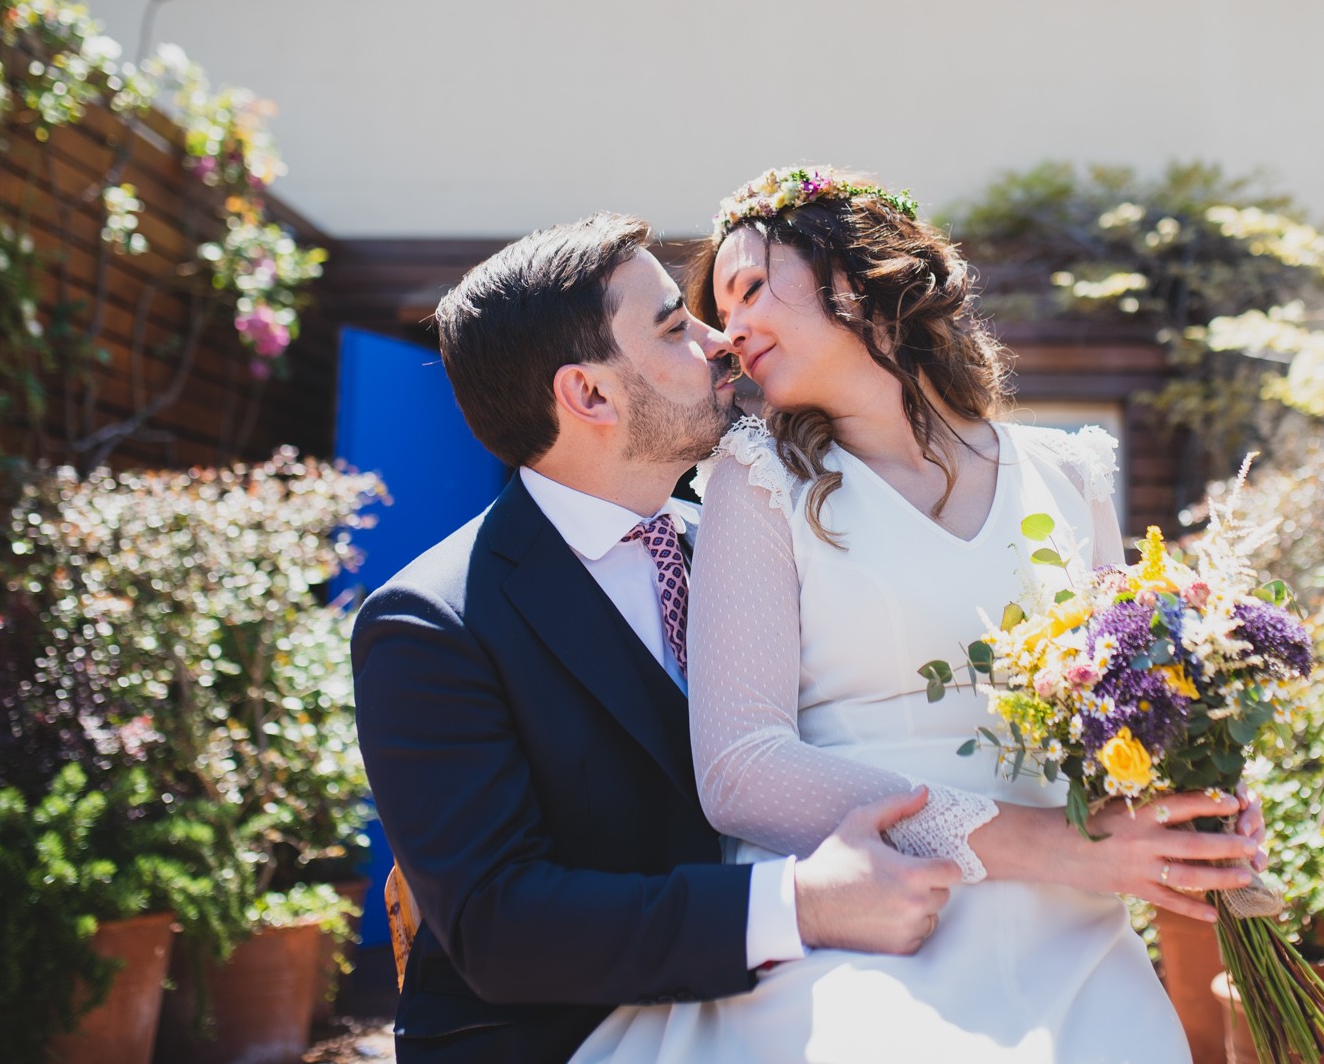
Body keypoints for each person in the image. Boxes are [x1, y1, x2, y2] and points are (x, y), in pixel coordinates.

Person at [571, 168, 1266, 1063]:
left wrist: (1200, 801)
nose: (728, 330)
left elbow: (1131, 709)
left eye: (748, 290)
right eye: (717, 307)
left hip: (1073, 931)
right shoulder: (759, 478)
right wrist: (1055, 846)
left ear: (855, 280)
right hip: (865, 913)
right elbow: (741, 771)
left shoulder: (1067, 474)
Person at [352, 214, 963, 1064]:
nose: (724, 340)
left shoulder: (744, 540)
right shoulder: (430, 625)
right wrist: (796, 903)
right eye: (677, 326)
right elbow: (501, 925)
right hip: (568, 1039)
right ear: (590, 395)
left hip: (814, 997)